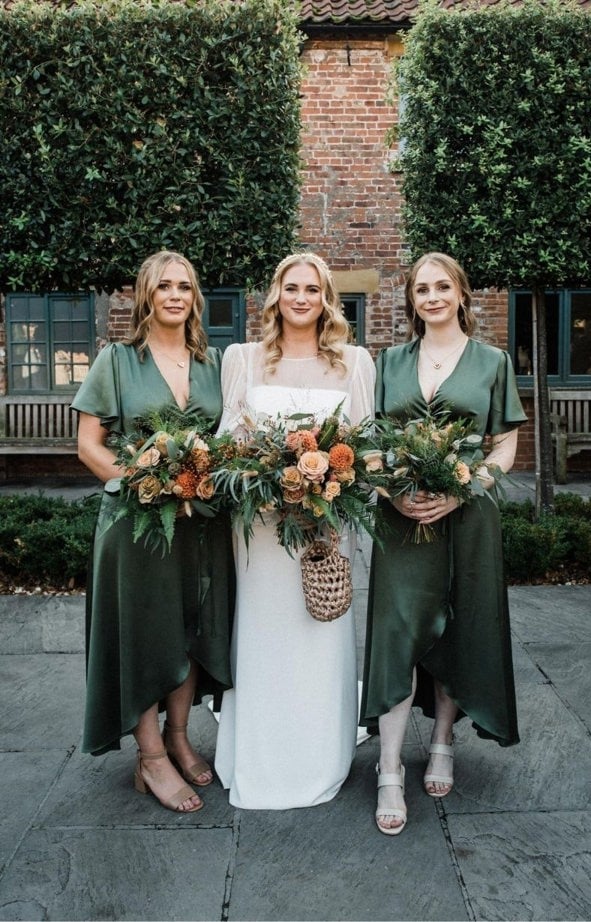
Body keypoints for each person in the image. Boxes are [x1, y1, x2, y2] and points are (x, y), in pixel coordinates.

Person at [360, 252, 527, 835]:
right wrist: (390, 490)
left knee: (457, 622)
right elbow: (369, 440)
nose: (431, 297)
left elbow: (503, 446)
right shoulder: (389, 363)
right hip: (400, 522)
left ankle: (441, 742)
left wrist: (465, 490)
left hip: (468, 518)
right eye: (421, 289)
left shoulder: (492, 362)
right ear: (412, 300)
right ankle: (387, 770)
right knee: (397, 631)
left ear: (461, 294)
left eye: (441, 287)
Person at [72, 251, 235, 814]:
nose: (174, 295)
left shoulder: (212, 363)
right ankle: (149, 756)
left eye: (184, 287)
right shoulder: (116, 360)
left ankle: (180, 736)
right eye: (163, 286)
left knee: (190, 626)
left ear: (194, 297)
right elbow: (89, 445)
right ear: (146, 295)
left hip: (200, 525)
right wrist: (139, 482)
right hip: (136, 523)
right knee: (141, 632)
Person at [214, 252, 376, 809]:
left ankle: (319, 753)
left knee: (319, 629)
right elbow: (228, 446)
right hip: (260, 529)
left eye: (313, 289)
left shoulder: (354, 362)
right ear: (276, 295)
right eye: (291, 288)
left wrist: (331, 486)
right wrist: (263, 476)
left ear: (327, 298)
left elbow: (367, 449)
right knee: (265, 635)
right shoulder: (242, 358)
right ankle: (261, 754)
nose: (302, 298)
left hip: (323, 527)